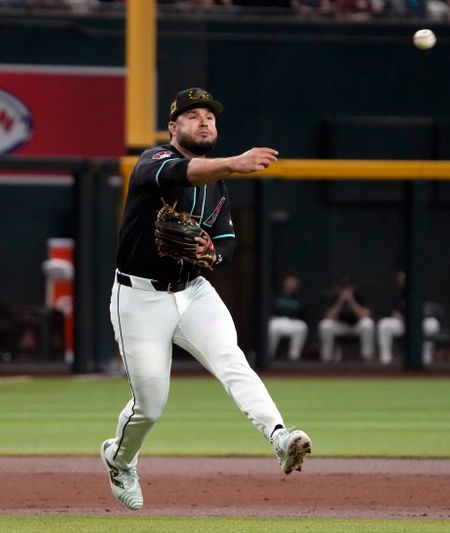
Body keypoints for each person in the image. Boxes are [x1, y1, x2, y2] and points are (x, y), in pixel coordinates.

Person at [101, 88, 311, 511]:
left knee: (232, 360)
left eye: (210, 117)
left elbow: (228, 243)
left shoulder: (217, 188)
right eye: (193, 115)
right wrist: (234, 163)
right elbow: (187, 173)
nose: (204, 122)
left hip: (194, 293)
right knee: (150, 404)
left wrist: (212, 253)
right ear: (173, 127)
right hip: (139, 299)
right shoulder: (152, 162)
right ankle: (119, 459)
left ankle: (279, 436)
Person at [377, 271, 440, 365]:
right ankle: (386, 359)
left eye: (404, 278)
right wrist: (396, 314)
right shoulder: (399, 293)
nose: (401, 280)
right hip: (403, 323)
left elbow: (430, 309)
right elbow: (394, 310)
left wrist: (418, 315)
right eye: (400, 278)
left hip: (420, 323)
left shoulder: (421, 292)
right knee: (383, 324)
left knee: (433, 324)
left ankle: (426, 358)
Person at [318, 275, 374, 363]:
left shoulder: (358, 296)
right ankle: (326, 358)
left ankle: (367, 357)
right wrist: (340, 301)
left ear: (353, 287)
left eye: (348, 287)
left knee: (368, 323)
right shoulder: (335, 296)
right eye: (343, 287)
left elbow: (364, 314)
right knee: (325, 325)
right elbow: (329, 316)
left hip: (356, 326)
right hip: (340, 326)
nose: (346, 290)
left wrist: (351, 300)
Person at [268, 274, 309, 361]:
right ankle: (268, 355)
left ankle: (294, 357)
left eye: (294, 283)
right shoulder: (276, 295)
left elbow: (305, 315)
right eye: (290, 282)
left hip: (293, 322)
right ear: (285, 282)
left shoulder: (300, 298)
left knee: (302, 326)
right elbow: (269, 310)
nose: (291, 284)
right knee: (272, 326)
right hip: (277, 321)